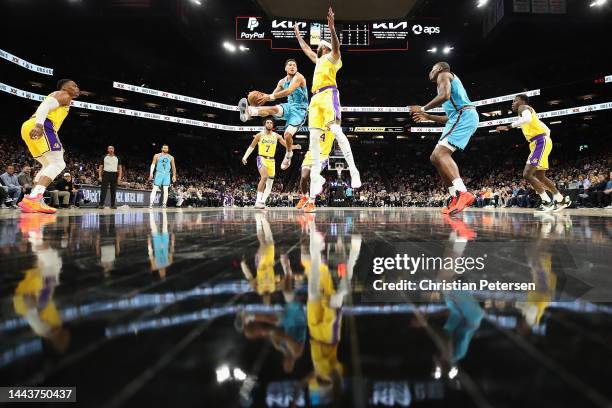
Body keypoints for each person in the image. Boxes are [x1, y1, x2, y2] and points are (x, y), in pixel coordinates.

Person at [294, 7, 361, 213]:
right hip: (315, 99)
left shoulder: (332, 58)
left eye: (320, 46)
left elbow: (336, 46)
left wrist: (332, 28)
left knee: (336, 131)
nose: (317, 49)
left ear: (325, 48)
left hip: (328, 95)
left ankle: (353, 170)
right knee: (312, 139)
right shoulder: (318, 61)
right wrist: (297, 35)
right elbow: (306, 50)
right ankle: (313, 189)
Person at [411, 62, 479, 216]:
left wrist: (422, 109)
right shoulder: (445, 82)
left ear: (439, 69)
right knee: (435, 158)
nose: (430, 72)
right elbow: (448, 118)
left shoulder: (444, 75)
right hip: (458, 117)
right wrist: (428, 117)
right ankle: (454, 196)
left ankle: (463, 193)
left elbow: (444, 96)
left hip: (464, 116)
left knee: (441, 154)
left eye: (432, 68)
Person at [496, 94, 571, 212]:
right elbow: (547, 129)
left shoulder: (523, 108)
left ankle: (546, 202)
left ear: (522, 101)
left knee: (527, 174)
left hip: (539, 142)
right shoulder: (531, 113)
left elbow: (527, 119)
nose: (513, 103)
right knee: (540, 176)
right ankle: (561, 199)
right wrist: (545, 139)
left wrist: (509, 126)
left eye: (515, 101)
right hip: (540, 142)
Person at [19, 79, 79, 214]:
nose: (77, 88)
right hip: (43, 125)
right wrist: (39, 125)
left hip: (29, 126)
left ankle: (32, 199)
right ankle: (34, 198)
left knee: (47, 165)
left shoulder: (62, 97)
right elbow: (45, 106)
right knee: (58, 164)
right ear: (65, 87)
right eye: (74, 85)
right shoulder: (64, 94)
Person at [238, 59, 308, 170]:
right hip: (289, 106)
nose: (292, 66)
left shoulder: (299, 77)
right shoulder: (281, 82)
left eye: (294, 65)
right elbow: (272, 96)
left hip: (300, 110)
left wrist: (269, 97)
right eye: (290, 65)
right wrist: (261, 97)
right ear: (285, 68)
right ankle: (249, 112)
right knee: (273, 109)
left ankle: (289, 154)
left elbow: (288, 91)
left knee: (287, 134)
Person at [242, 118, 300, 209]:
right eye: (267, 122)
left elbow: (286, 145)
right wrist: (245, 157)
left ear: (273, 125)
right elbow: (251, 147)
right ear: (265, 124)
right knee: (264, 177)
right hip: (261, 158)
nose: (269, 124)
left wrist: (294, 146)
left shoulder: (277, 136)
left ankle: (262, 202)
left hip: (271, 161)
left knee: (269, 185)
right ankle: (257, 201)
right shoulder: (259, 135)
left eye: (271, 123)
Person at [296, 131, 335, 210]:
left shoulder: (331, 126)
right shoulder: (315, 123)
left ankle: (311, 203)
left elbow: (338, 121)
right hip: (310, 154)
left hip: (322, 155)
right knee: (303, 177)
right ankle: (305, 197)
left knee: (313, 176)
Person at [148, 144, 177, 208]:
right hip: (159, 173)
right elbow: (153, 164)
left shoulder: (171, 157)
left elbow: (173, 167)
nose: (166, 149)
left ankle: (164, 204)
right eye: (164, 148)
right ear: (162, 148)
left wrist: (174, 176)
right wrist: (151, 173)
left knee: (166, 189)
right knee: (155, 188)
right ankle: (151, 203)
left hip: (167, 174)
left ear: (168, 149)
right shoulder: (157, 155)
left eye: (167, 148)